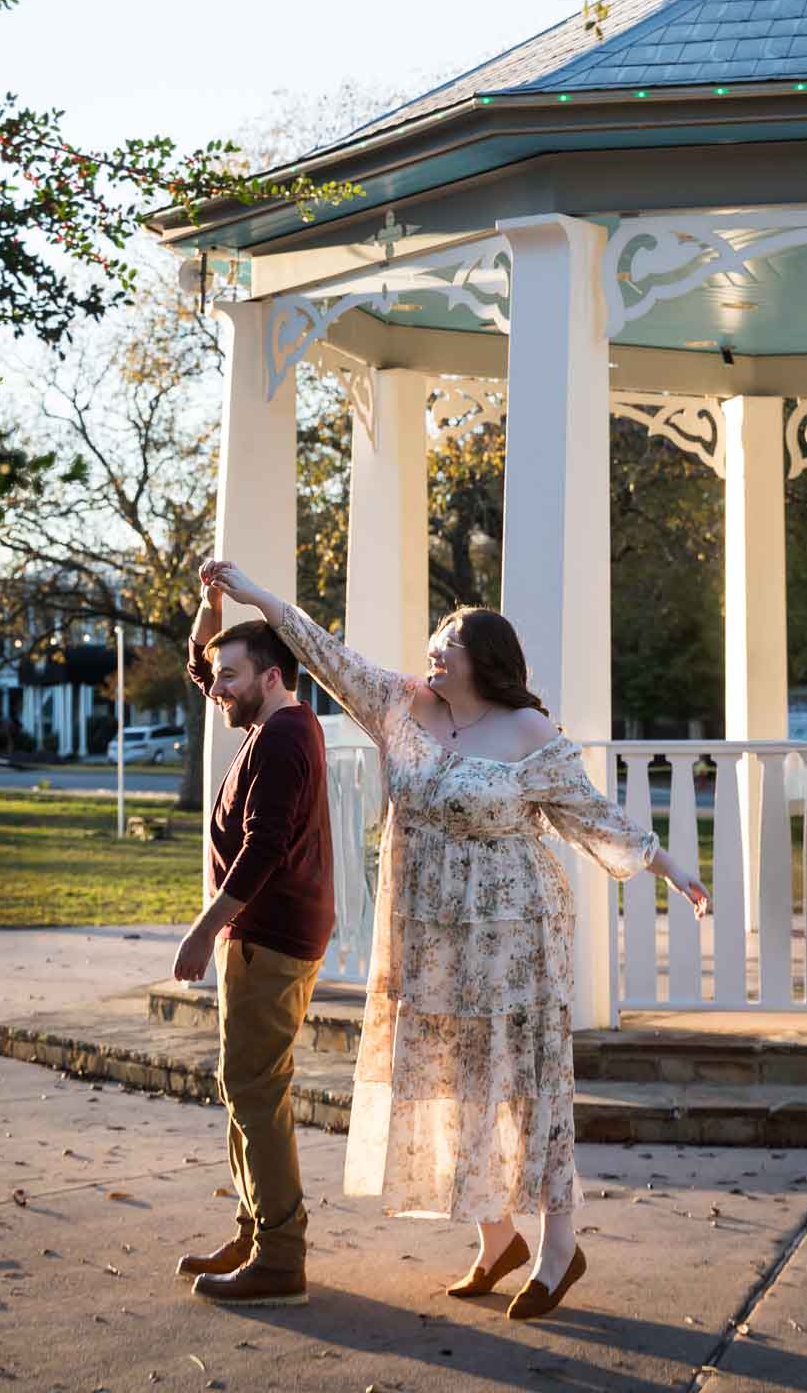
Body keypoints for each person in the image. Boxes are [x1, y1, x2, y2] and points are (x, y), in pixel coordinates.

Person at [200, 557, 709, 1323]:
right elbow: (319, 648)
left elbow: (591, 814)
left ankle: (557, 1246)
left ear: (485, 659)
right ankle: (495, 1236)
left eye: (447, 644)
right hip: (429, 935)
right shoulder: (399, 704)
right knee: (452, 1081)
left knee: (525, 1087)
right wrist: (253, 597)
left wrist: (669, 869)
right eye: (433, 642)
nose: (432, 653)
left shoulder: (528, 731)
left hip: (515, 937)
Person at [170, 577, 335, 1306]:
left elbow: (264, 847)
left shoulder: (287, 736)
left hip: (268, 935)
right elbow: (202, 669)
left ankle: (280, 1258)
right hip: (263, 933)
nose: (217, 687)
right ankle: (256, 1229)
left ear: (271, 676)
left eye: (232, 675)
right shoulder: (267, 718)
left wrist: (202, 933)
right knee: (244, 1088)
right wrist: (209, 614)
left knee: (256, 1092)